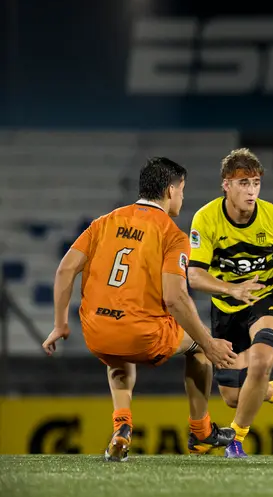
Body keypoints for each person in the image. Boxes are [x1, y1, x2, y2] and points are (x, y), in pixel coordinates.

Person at [42, 157, 238, 461]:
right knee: (199, 346)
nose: (183, 198)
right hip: (143, 336)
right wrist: (210, 343)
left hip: (97, 333)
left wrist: (59, 324)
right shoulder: (173, 236)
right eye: (183, 190)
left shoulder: (103, 222)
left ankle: (122, 425)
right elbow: (175, 299)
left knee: (118, 357)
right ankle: (201, 433)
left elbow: (65, 270)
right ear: (171, 191)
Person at [186, 148, 273, 458]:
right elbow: (194, 277)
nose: (251, 190)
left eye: (255, 183)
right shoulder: (206, 218)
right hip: (227, 308)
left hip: (268, 297)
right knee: (233, 396)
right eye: (243, 183)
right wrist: (232, 289)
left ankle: (234, 438)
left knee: (263, 360)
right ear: (226, 185)